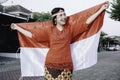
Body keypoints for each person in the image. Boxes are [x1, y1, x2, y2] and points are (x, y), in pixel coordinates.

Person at [11, 2, 109, 80]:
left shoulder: (70, 29)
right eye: (60, 15)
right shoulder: (49, 30)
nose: (63, 17)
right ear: (55, 19)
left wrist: (101, 9)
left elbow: (86, 23)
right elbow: (33, 35)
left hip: (67, 65)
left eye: (64, 14)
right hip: (51, 64)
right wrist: (17, 28)